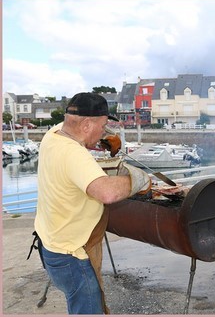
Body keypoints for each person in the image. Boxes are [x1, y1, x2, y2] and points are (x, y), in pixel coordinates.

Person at [34, 92, 152, 314]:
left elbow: (75, 129)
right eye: (103, 125)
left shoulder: (53, 135)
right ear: (86, 124)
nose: (104, 131)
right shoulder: (73, 155)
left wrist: (98, 137)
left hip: (50, 244)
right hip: (71, 256)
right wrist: (139, 180)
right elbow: (106, 193)